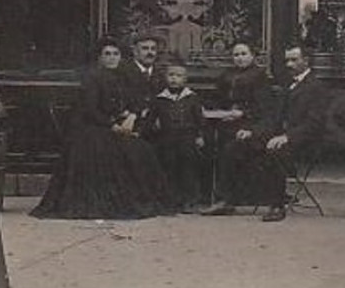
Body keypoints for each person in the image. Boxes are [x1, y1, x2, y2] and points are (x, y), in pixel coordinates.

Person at [32, 36, 176, 220]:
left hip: (108, 126)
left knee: (141, 149)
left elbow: (133, 101)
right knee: (131, 150)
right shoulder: (92, 78)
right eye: (107, 54)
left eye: (116, 54)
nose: (112, 58)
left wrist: (131, 114)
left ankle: (143, 198)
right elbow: (90, 110)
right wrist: (113, 125)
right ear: (99, 57)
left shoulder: (118, 77)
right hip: (90, 131)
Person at [202, 45, 328, 222]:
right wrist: (252, 132)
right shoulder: (289, 84)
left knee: (274, 151)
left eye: (294, 60)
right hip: (280, 137)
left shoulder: (316, 87)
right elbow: (273, 118)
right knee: (234, 146)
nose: (289, 64)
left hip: (305, 141)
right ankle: (227, 200)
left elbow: (314, 123)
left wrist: (286, 137)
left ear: (306, 61)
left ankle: (276, 205)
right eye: (287, 60)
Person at [200, 41, 275, 214]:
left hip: (253, 125)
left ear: (252, 56)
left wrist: (243, 113)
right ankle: (205, 194)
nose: (239, 58)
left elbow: (265, 108)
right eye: (236, 55)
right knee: (206, 141)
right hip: (227, 120)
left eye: (243, 54)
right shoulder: (226, 75)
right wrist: (208, 108)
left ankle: (226, 199)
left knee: (230, 147)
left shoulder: (260, 76)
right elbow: (218, 98)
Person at [144, 61, 207, 211]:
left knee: (188, 169)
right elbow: (150, 121)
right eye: (171, 75)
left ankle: (189, 201)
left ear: (185, 79)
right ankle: (170, 201)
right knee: (169, 167)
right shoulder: (159, 99)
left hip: (187, 138)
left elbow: (200, 120)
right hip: (167, 138)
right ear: (165, 77)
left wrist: (200, 136)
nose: (174, 78)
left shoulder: (192, 98)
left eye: (178, 76)